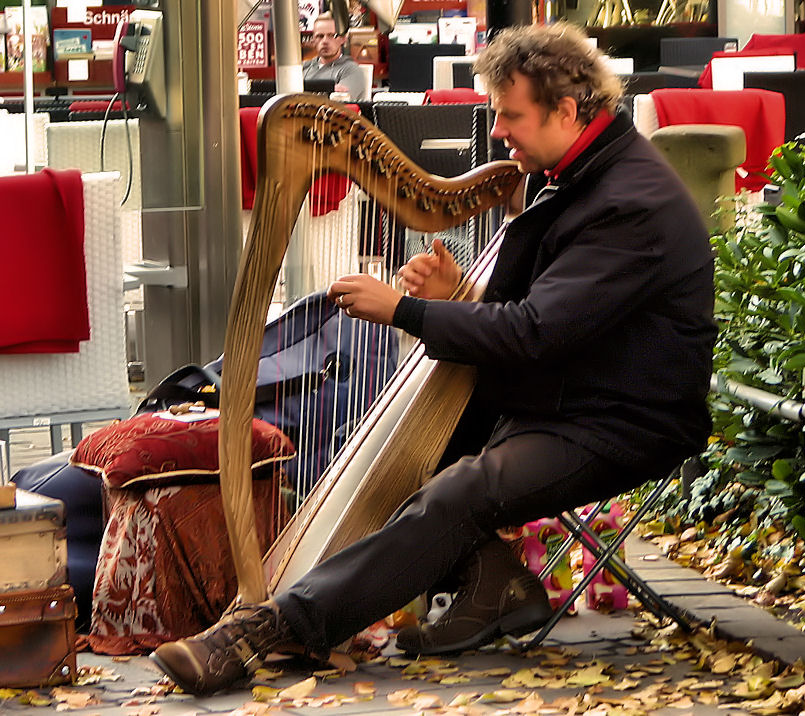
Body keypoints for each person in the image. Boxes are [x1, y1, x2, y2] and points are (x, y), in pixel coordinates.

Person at [151, 21, 717, 697]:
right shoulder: (580, 172)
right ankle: (495, 583)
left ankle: (267, 629)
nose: (500, 131)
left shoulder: (630, 203)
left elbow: (537, 331)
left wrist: (405, 311)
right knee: (422, 450)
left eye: (511, 115)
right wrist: (464, 296)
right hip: (562, 392)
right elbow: (566, 316)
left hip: (622, 420)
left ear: (568, 110)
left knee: (461, 488)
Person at [302, 12, 367, 101]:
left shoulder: (351, 70)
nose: (325, 41)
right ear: (313, 40)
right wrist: (329, 89)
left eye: (332, 35)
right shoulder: (304, 67)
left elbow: (338, 104)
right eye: (320, 36)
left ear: (343, 38)